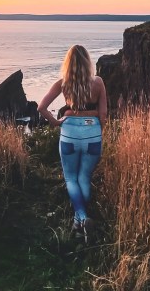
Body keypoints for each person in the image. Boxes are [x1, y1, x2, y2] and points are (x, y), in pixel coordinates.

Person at [37, 44, 108, 238]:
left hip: (69, 133)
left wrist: (56, 122)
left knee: (71, 179)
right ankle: (81, 220)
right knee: (84, 177)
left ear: (68, 63)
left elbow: (41, 107)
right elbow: (103, 115)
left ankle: (81, 219)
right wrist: (96, 128)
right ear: (88, 62)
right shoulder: (99, 82)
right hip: (92, 133)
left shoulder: (63, 83)